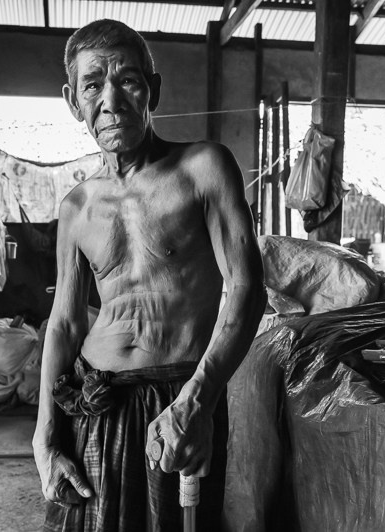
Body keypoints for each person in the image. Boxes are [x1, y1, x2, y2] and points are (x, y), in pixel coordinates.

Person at [32, 19, 266, 532]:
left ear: (152, 90)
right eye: (93, 84)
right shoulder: (75, 207)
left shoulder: (203, 168)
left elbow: (247, 288)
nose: (111, 100)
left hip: (181, 396)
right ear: (74, 101)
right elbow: (65, 325)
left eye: (128, 80)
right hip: (95, 400)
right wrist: (45, 433)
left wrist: (199, 399)